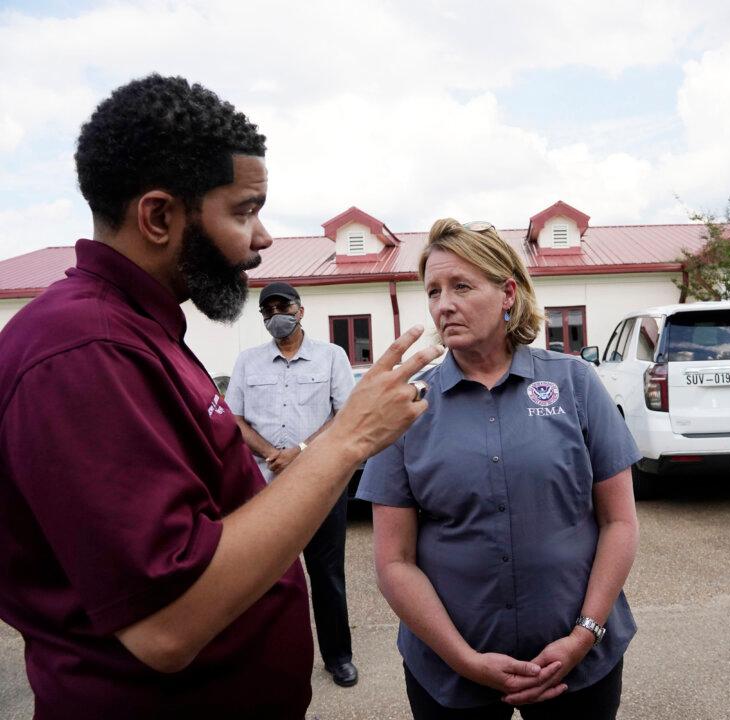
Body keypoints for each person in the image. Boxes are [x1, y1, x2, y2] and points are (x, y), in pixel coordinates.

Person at [0, 74, 441, 719]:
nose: (262, 239)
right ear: (158, 217)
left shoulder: (140, 329)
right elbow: (167, 625)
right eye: (243, 211)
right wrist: (351, 436)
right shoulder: (86, 350)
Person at [358, 219, 641, 719]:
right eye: (433, 291)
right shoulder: (406, 406)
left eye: (461, 286)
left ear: (508, 293)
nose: (444, 305)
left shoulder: (574, 383)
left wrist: (584, 635)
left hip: (579, 663)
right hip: (449, 672)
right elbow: (394, 560)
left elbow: (619, 521)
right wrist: (463, 660)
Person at [225, 281, 358, 687]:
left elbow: (345, 415)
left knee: (327, 574)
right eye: (267, 311)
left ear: (300, 311)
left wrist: (299, 451)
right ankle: (273, 659)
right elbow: (234, 419)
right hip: (265, 485)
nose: (275, 316)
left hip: (322, 484)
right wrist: (271, 452)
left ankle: (338, 657)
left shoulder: (332, 356)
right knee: (266, 578)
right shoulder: (248, 361)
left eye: (282, 307)